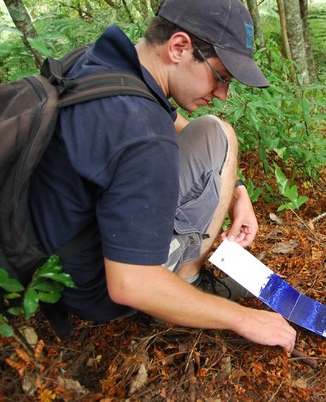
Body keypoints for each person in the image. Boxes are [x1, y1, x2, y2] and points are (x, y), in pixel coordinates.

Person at [28, 0, 296, 353]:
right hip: (94, 287)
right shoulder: (143, 134)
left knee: (218, 132)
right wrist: (243, 318)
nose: (222, 94)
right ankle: (186, 281)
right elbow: (130, 284)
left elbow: (184, 127)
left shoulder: (104, 61)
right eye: (221, 77)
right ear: (179, 47)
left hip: (56, 242)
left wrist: (238, 193)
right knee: (212, 134)